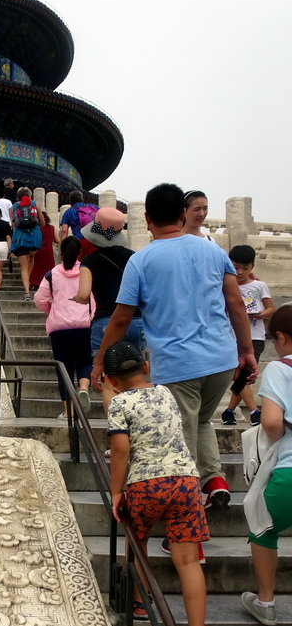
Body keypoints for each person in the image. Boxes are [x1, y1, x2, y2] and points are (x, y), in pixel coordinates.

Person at [91, 183, 256, 512]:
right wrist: (247, 352)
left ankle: (190, 535)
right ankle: (216, 480)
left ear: (148, 218)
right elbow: (236, 303)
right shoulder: (213, 251)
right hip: (221, 360)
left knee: (180, 447)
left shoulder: (142, 261)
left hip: (179, 365)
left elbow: (121, 319)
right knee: (202, 421)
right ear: (183, 214)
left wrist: (99, 362)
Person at [104, 341, 212, 626]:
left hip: (145, 483)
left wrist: (116, 492)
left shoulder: (119, 403)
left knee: (137, 544)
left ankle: (139, 601)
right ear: (146, 367)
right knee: (188, 561)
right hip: (185, 481)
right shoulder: (166, 394)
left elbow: (121, 450)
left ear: (110, 380)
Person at [241, 305, 292, 626]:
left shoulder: (279, 368)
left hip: (289, 471)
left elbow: (272, 422)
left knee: (263, 527)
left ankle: (266, 602)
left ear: (281, 337)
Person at [73, 207, 146, 362]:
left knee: (107, 374)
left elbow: (84, 294)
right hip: (137, 320)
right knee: (134, 372)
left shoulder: (89, 261)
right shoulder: (134, 256)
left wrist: (78, 298)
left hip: (106, 320)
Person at [34, 236, 93, 419]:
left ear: (61, 251)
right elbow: (92, 298)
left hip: (60, 327)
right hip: (83, 324)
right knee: (84, 362)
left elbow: (39, 299)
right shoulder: (86, 271)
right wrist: (89, 316)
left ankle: (68, 412)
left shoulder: (52, 274)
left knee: (64, 369)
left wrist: (51, 309)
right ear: (79, 253)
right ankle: (83, 387)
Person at [222, 245, 274, 426]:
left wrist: (261, 314)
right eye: (236, 267)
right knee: (240, 376)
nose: (240, 272)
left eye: (246, 268)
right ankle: (254, 411)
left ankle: (229, 411)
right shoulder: (225, 285)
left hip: (256, 336)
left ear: (252, 267)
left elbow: (270, 308)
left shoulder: (259, 286)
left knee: (245, 376)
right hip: (232, 336)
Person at [11, 188, 44, 301]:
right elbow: (42, 222)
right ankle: (28, 282)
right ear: (30, 195)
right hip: (34, 235)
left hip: (20, 236)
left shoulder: (14, 206)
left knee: (23, 267)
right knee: (32, 256)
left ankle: (27, 292)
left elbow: (14, 223)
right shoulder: (35, 204)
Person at [59, 190, 98, 259]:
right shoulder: (94, 207)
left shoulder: (68, 212)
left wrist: (63, 249)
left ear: (70, 202)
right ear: (82, 199)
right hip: (96, 240)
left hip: (80, 242)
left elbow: (64, 231)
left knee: (80, 265)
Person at [30, 210, 56, 289]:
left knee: (37, 267)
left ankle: (35, 283)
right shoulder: (52, 228)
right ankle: (48, 282)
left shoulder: (36, 229)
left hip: (38, 249)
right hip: (48, 250)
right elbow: (57, 240)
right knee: (48, 267)